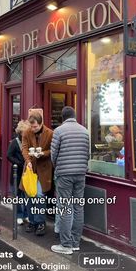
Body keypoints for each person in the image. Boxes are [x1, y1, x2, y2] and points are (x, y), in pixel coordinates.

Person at [50, 106, 90, 255]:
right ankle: (75, 242)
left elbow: (53, 155)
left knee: (65, 207)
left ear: (62, 117)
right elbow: (88, 154)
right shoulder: (85, 131)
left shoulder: (59, 131)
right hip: (80, 173)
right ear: (74, 115)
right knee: (78, 207)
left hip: (64, 174)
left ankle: (66, 245)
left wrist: (59, 167)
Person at [21, 111, 53, 236]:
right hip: (30, 168)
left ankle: (40, 222)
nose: (33, 129)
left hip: (44, 168)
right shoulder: (26, 132)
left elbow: (53, 149)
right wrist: (28, 161)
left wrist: (42, 154)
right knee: (29, 195)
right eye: (31, 126)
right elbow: (24, 148)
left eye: (35, 127)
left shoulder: (50, 133)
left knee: (39, 195)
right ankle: (32, 221)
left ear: (41, 124)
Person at [7, 120, 30, 225]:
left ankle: (26, 215)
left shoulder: (29, 141)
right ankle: (19, 215)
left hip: (27, 173)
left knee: (27, 195)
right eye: (25, 132)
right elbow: (9, 155)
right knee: (18, 195)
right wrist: (19, 163)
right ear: (20, 132)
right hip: (17, 173)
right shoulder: (14, 142)